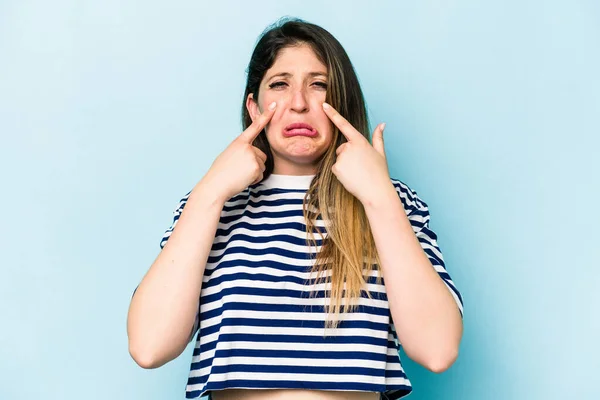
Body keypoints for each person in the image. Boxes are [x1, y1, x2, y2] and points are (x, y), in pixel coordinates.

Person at [127, 17, 464, 400]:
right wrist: (210, 193)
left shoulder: (392, 202)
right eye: (280, 84)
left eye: (318, 85)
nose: (300, 103)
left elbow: (437, 350)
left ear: (341, 102)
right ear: (254, 107)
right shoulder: (210, 206)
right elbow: (149, 346)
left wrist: (379, 197)